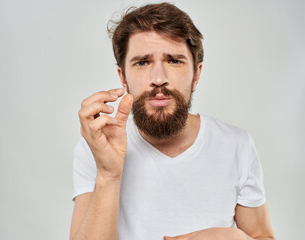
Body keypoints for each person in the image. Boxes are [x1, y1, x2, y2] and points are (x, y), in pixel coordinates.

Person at [70, 3, 275, 240]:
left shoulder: (236, 144)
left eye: (174, 61)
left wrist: (233, 238)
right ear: (122, 77)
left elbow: (262, 236)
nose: (158, 79)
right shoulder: (96, 146)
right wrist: (108, 173)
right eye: (142, 62)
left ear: (196, 74)